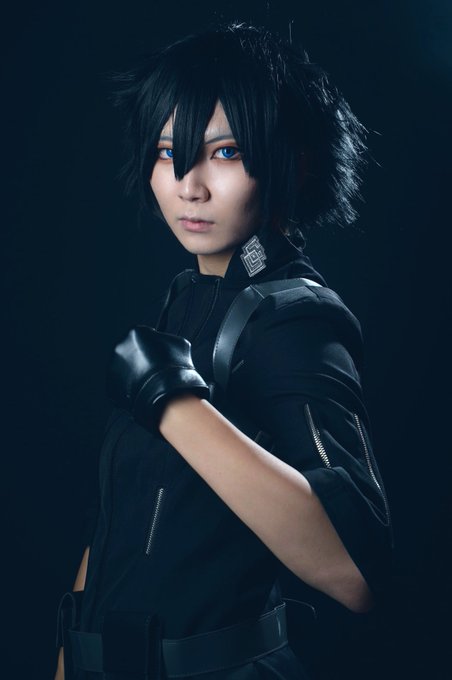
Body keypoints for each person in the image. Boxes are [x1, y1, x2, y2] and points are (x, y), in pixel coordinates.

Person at [54, 20, 393, 680]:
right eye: (167, 151)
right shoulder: (184, 300)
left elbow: (356, 570)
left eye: (226, 152)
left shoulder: (293, 316)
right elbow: (116, 522)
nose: (189, 184)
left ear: (293, 160)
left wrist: (171, 402)